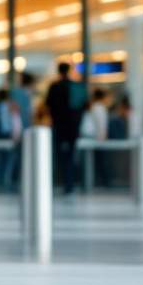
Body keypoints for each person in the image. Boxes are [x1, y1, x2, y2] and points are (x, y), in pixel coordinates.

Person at [45, 62, 83, 195]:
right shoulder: (75, 86)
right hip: (72, 127)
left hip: (58, 126)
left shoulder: (54, 87)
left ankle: (58, 182)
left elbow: (48, 105)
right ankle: (69, 184)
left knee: (58, 156)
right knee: (71, 156)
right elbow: (82, 106)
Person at [0, 88, 20, 190]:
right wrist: (10, 133)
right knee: (7, 159)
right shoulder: (4, 107)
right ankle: (4, 181)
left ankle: (1, 181)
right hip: (5, 135)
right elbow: (4, 123)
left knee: (2, 159)